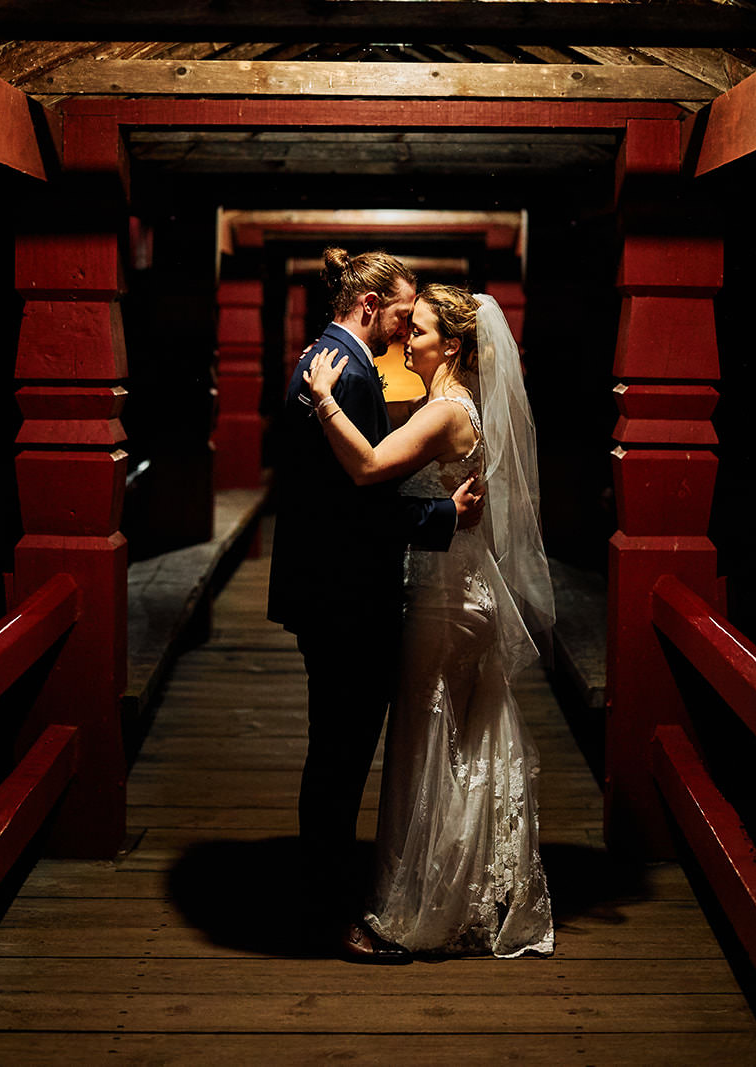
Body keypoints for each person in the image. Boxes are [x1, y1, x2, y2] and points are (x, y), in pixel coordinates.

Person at [303, 284, 555, 958]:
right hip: (458, 589)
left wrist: (323, 397)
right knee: (452, 741)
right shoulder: (450, 404)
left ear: (454, 344)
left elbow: (370, 466)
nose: (404, 340)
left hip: (446, 601)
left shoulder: (447, 411)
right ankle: (464, 882)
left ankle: (427, 896)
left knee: (428, 738)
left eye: (417, 330)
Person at [267, 249, 484, 964]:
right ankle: (329, 914)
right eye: (401, 310)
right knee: (339, 756)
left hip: (321, 589)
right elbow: (355, 502)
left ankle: (318, 897)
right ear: (370, 307)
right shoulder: (347, 372)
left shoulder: (321, 360)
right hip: (346, 596)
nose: (405, 324)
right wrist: (439, 518)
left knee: (333, 751)